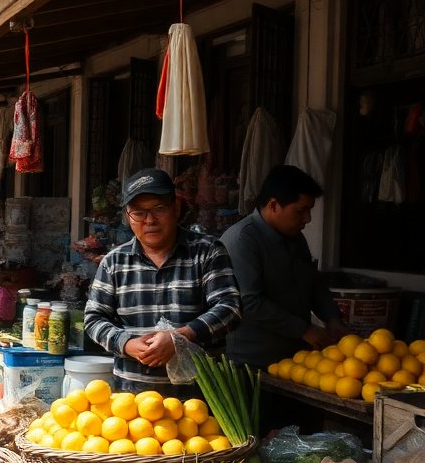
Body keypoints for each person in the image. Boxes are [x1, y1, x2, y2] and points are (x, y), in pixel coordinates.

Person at [85, 168, 242, 395]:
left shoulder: (207, 252)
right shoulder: (114, 262)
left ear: (176, 208)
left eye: (159, 208)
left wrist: (180, 337)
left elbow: (230, 308)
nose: (149, 220)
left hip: (200, 399)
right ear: (128, 217)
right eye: (138, 212)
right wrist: (126, 344)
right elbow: (94, 319)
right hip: (133, 404)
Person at [220, 165, 346, 367]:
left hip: (297, 358)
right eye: (300, 211)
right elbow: (249, 302)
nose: (308, 218)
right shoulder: (241, 240)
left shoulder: (296, 239)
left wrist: (332, 317)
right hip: (253, 362)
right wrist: (304, 330)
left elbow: (313, 283)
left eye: (309, 210)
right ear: (273, 205)